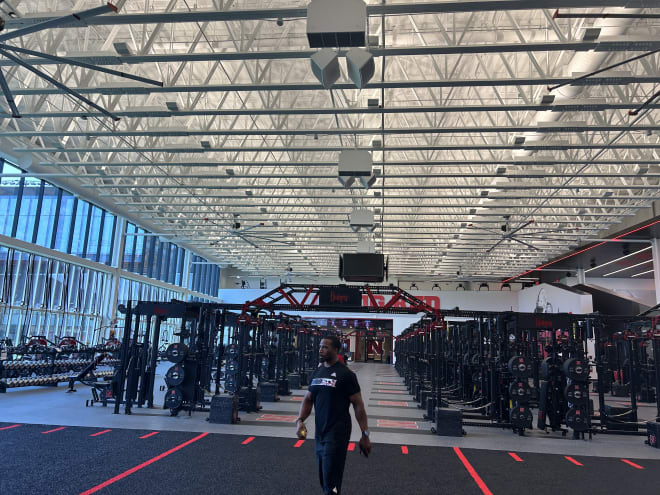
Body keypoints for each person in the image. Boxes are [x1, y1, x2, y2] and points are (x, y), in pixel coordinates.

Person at [296, 335, 371, 495]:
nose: (321, 349)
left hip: (337, 433)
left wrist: (365, 434)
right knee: (324, 477)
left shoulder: (346, 375)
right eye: (321, 346)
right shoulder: (318, 371)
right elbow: (308, 399)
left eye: (325, 347)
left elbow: (358, 405)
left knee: (331, 479)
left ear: (336, 350)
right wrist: (300, 420)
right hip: (320, 433)